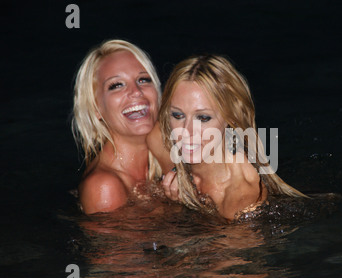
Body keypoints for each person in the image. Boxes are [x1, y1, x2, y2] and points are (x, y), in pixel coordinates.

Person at [158, 54, 308, 221]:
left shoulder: (240, 198)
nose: (186, 131)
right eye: (178, 115)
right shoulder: (161, 137)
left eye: (203, 118)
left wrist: (180, 211)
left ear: (230, 117)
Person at [71, 39, 172, 214]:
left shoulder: (168, 154)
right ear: (96, 108)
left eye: (143, 79)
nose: (136, 92)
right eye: (116, 85)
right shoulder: (104, 187)